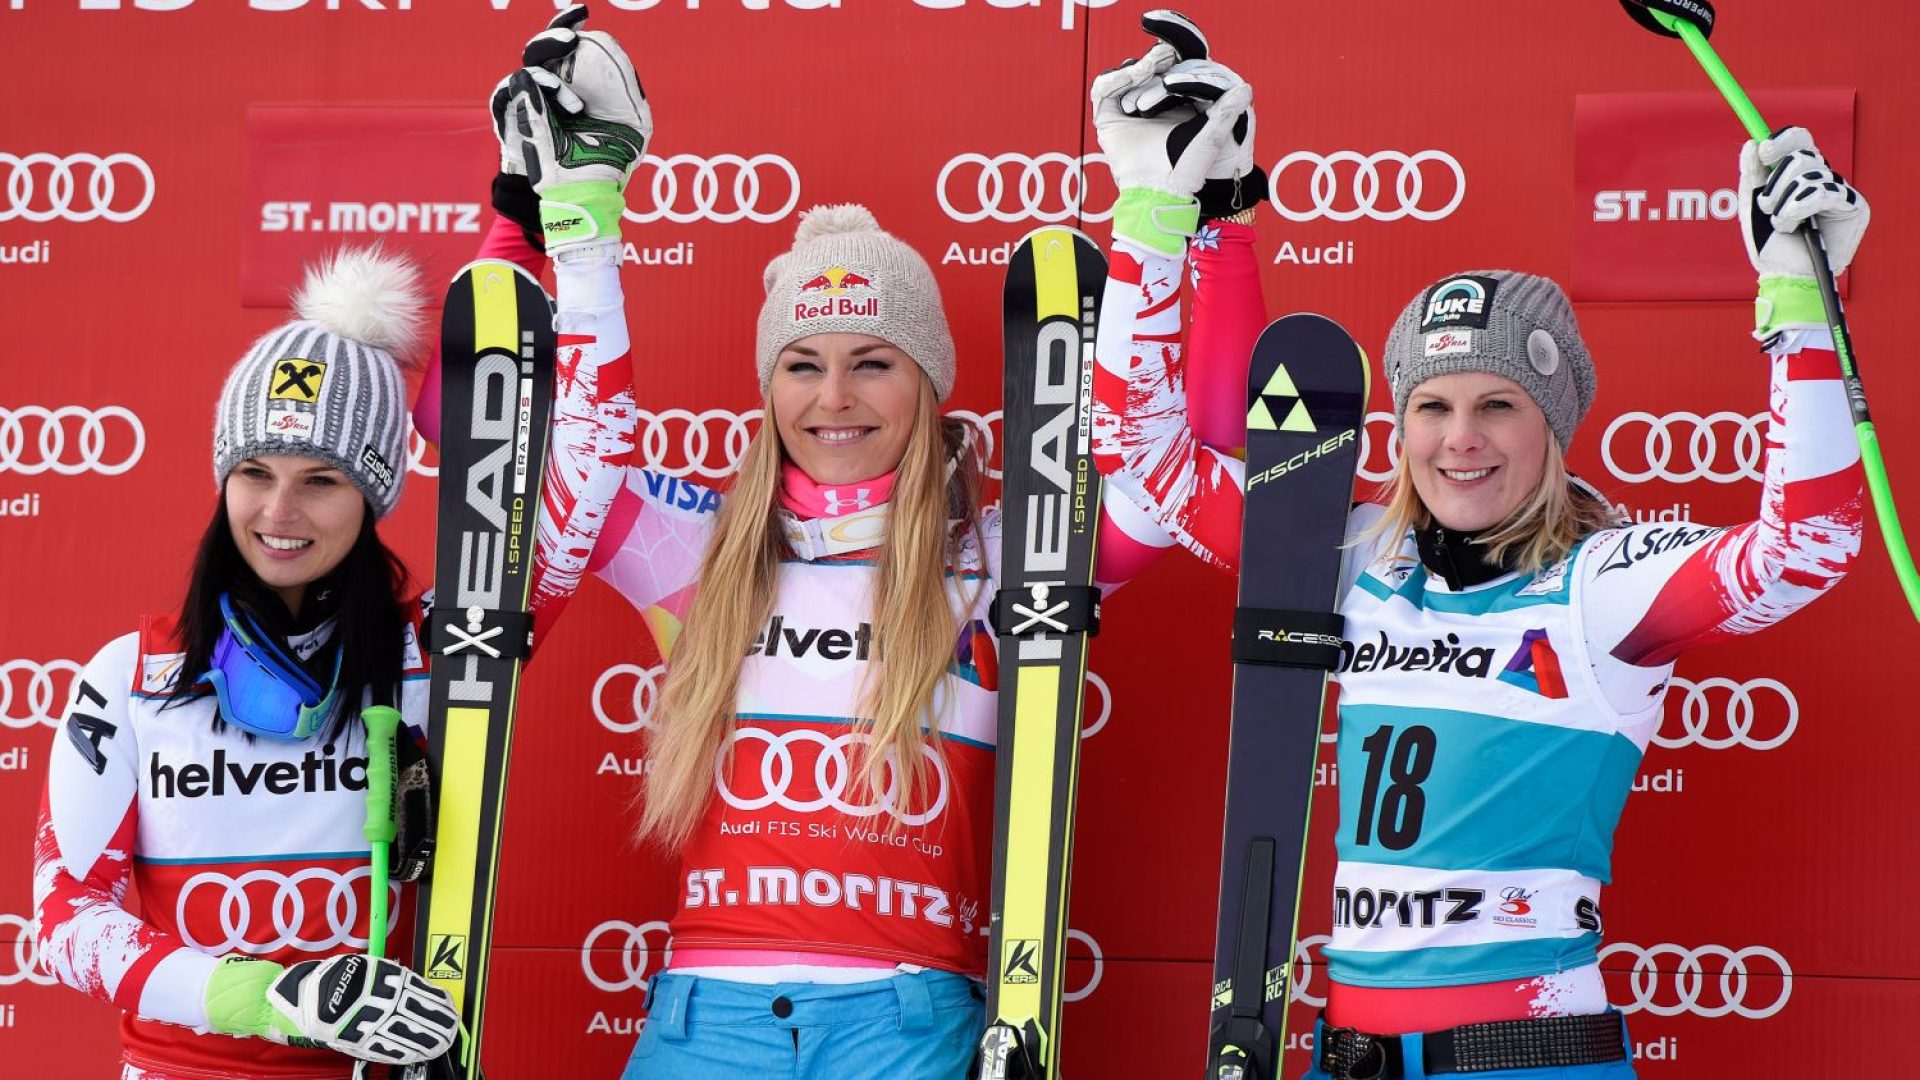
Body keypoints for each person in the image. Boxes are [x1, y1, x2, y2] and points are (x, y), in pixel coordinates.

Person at [466, 8, 1257, 1076]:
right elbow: (485, 439)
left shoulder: (1002, 562)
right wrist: (561, 213)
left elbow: (1190, 467)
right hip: (708, 1023)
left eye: (875, 362)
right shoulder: (686, 546)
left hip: (908, 1021)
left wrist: (1185, 217)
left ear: (929, 386)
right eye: (802, 365)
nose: (834, 398)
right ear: (768, 389)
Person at [1092, 53, 1868, 1075]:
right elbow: (1145, 458)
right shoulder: (1353, 555)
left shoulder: (1599, 585)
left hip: (1527, 1051)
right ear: (1399, 421)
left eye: (1498, 404)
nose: (1462, 439)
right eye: (1432, 406)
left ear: (1553, 427)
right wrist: (1155, 210)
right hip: (1347, 1053)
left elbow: (1802, 546)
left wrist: (1798, 305)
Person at [31, 240, 633, 1077]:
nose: (279, 511)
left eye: (322, 480)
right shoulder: (133, 675)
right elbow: (64, 921)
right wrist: (267, 999)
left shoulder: (442, 649)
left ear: (372, 495)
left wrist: (581, 233)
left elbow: (584, 478)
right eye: (254, 472)